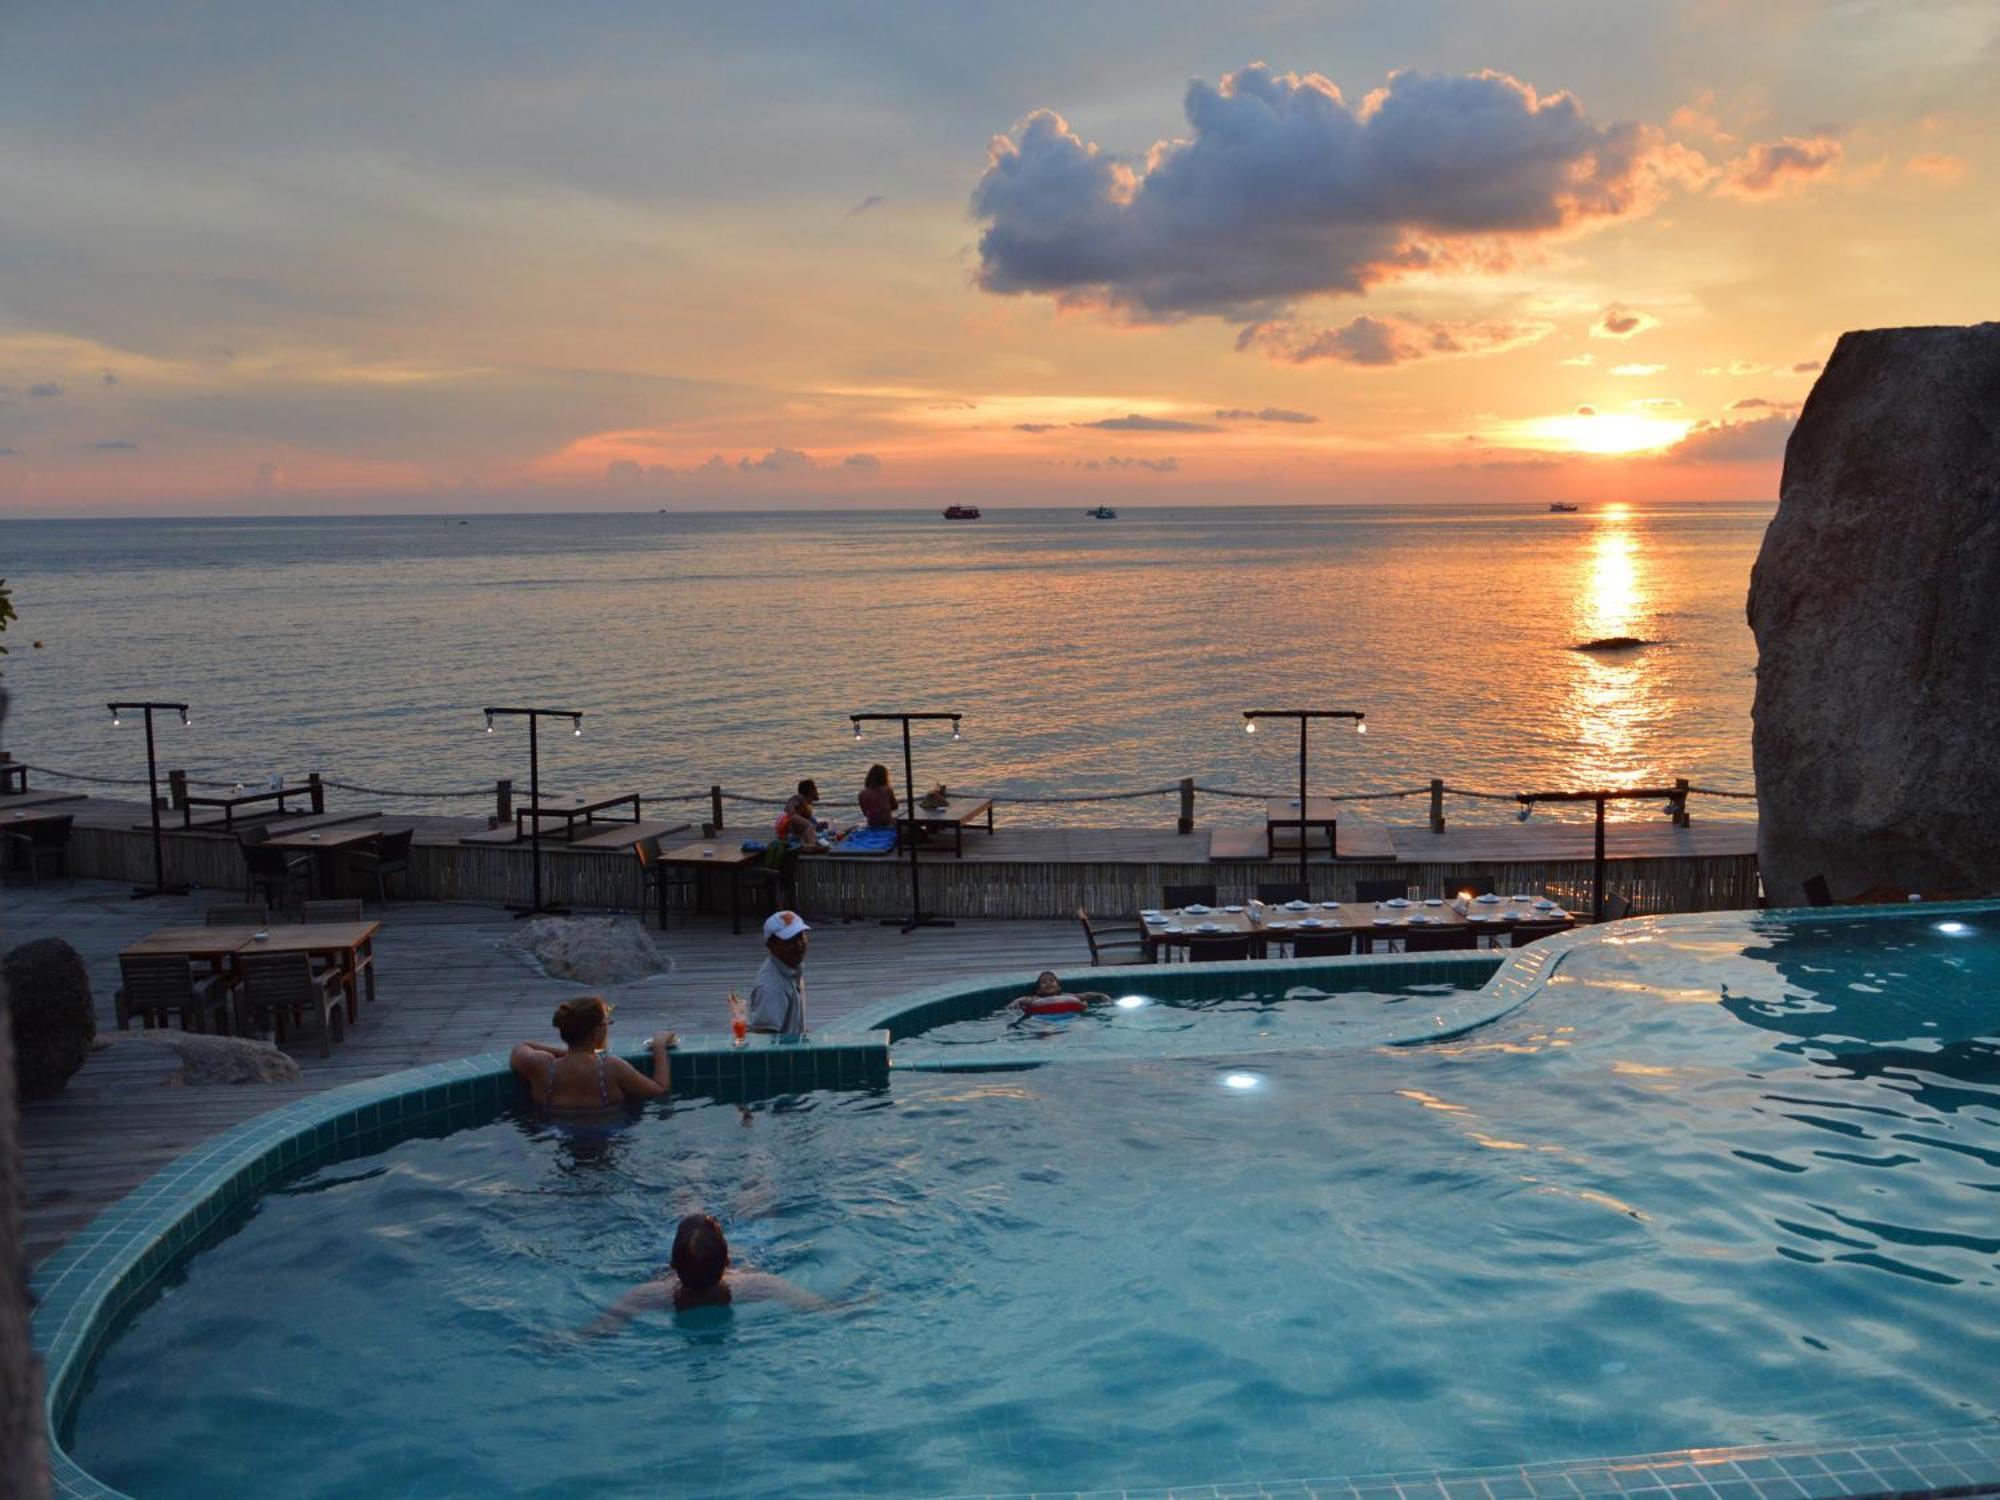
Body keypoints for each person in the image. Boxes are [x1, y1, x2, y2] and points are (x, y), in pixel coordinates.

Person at [584, 1213, 835, 1334]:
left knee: (684, 1202)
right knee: (755, 1207)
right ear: (728, 1260)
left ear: (671, 1264)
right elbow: (822, 1309)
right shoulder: (759, 1285)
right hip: (744, 1254)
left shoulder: (647, 1296)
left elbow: (598, 1331)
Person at [509, 996, 676, 1119]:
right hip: (607, 1133)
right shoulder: (611, 1068)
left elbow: (521, 1046)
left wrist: (569, 1054)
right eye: (607, 1023)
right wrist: (659, 1045)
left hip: (556, 1132)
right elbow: (659, 1090)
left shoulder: (541, 1066)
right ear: (596, 1032)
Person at [743, 910, 809, 1035]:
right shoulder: (770, 989)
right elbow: (765, 1044)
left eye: (801, 936)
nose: (799, 944)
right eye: (790, 940)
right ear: (771, 945)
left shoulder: (791, 967)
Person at [1008, 970, 1110, 1016]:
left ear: (1059, 987)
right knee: (1048, 1032)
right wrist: (1015, 1002)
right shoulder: (1036, 999)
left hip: (1068, 1018)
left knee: (1082, 1027)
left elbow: (1085, 995)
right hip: (1045, 1020)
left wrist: (1101, 995)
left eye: (1051, 980)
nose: (1048, 983)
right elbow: (1022, 999)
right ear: (1038, 990)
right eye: (1043, 982)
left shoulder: (1066, 996)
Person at [775, 778, 826, 848]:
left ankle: (808, 845)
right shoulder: (799, 798)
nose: (818, 792)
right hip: (785, 824)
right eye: (816, 789)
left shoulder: (806, 807)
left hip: (789, 830)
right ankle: (811, 847)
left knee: (812, 826)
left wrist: (819, 825)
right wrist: (796, 816)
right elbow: (789, 808)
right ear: (811, 791)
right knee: (809, 825)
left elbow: (810, 824)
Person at [857, 764, 898, 830]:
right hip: (887, 823)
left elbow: (865, 813)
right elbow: (895, 806)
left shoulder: (861, 794)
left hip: (872, 824)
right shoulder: (887, 789)